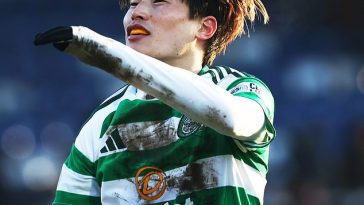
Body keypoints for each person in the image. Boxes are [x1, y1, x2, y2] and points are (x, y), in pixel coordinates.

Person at [34, 0, 275, 204]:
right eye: (132, 4)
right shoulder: (100, 124)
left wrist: (106, 53)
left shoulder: (238, 90)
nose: (136, 12)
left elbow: (230, 118)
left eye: (159, 1)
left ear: (204, 27)